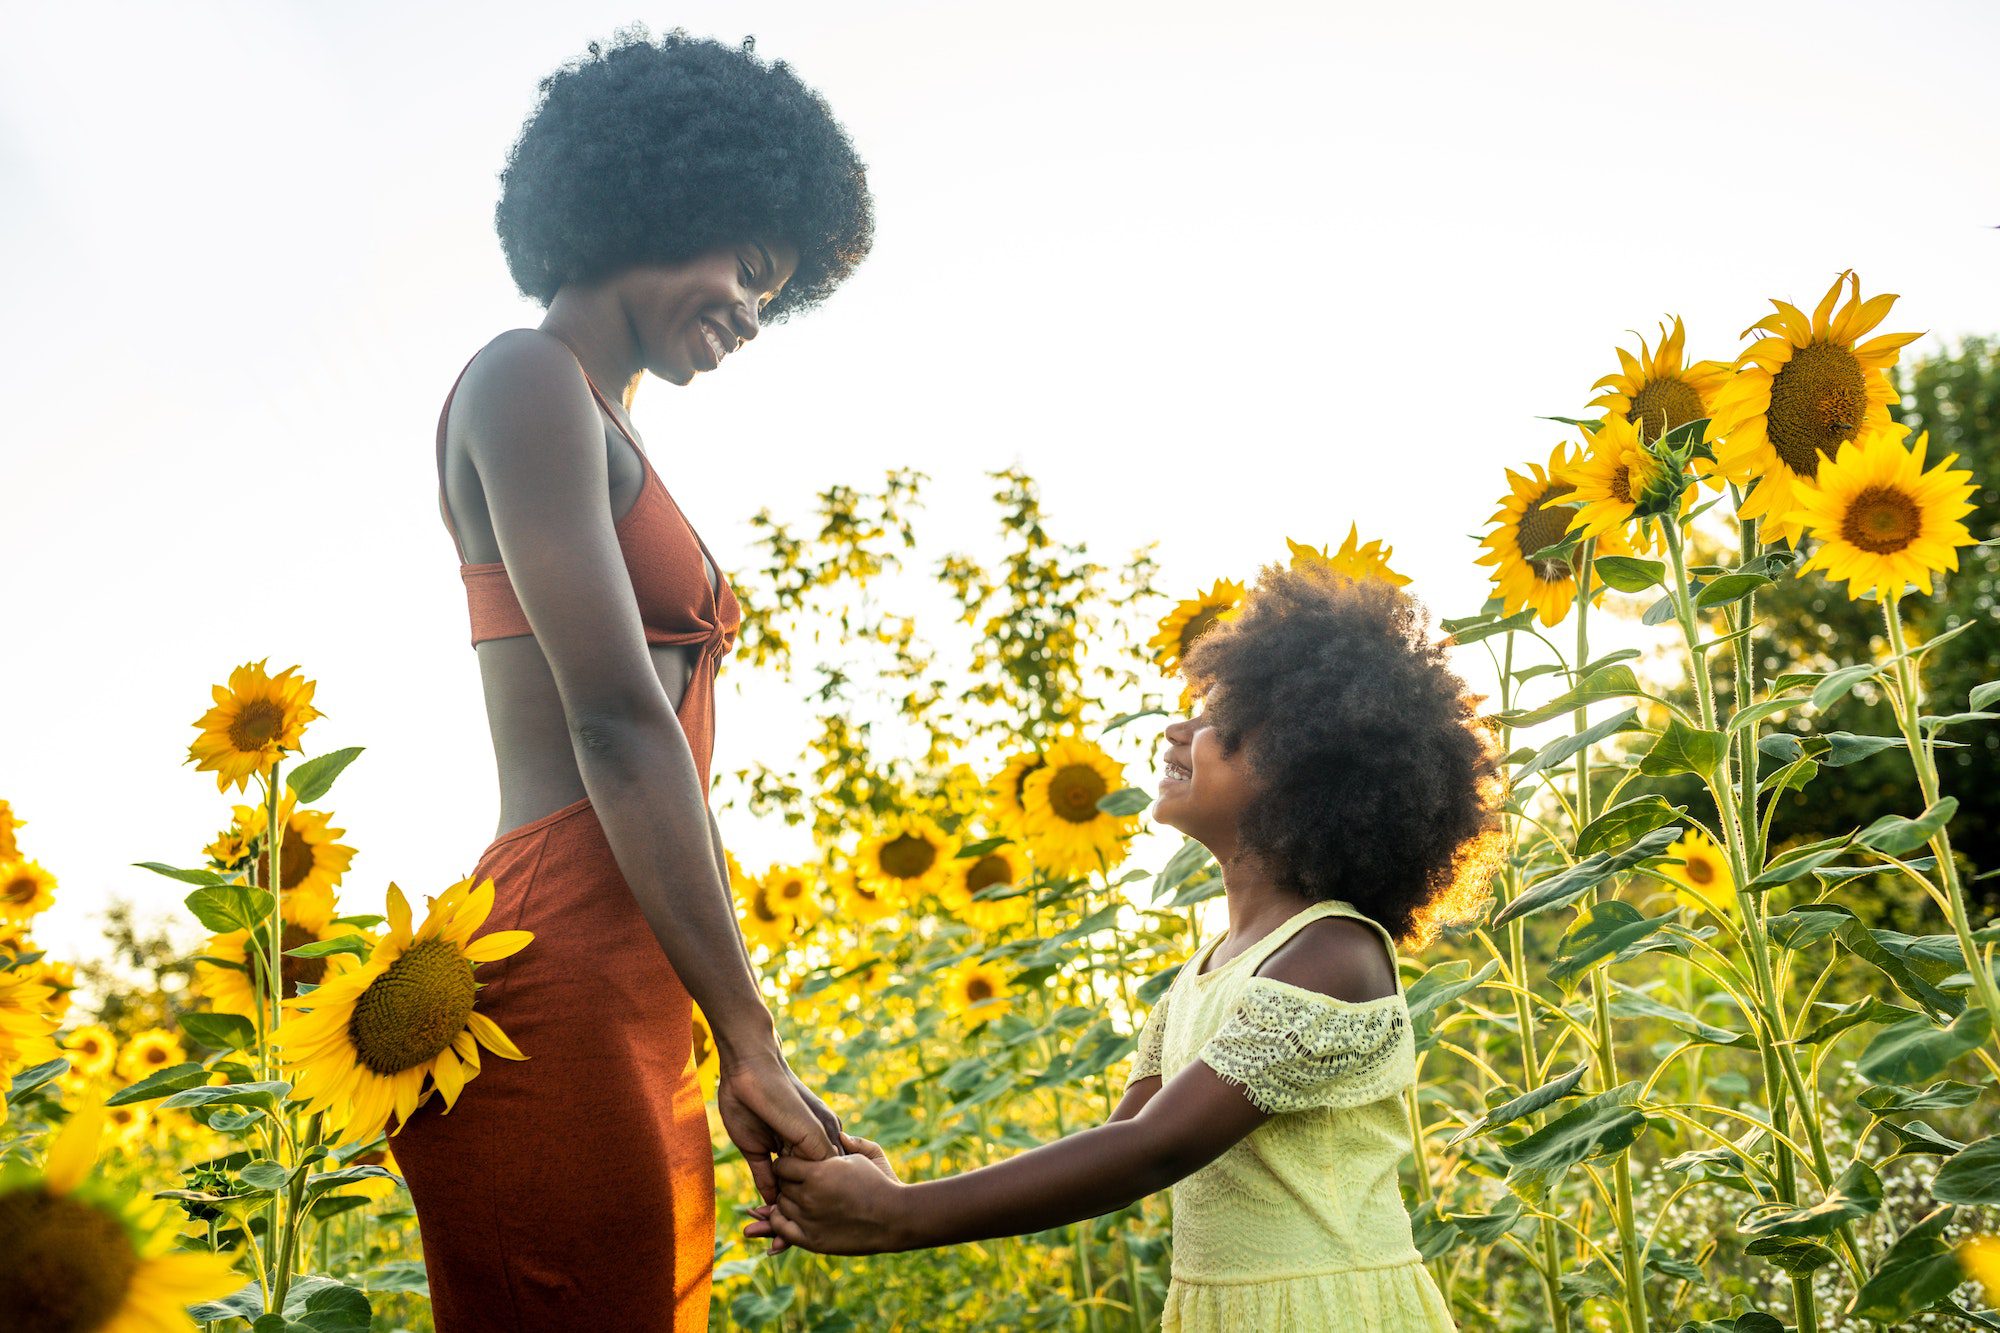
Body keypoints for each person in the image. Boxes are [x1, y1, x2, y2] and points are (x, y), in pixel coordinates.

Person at [394, 28, 874, 1332]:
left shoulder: (603, 424)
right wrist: (751, 1036)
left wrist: (723, 1018)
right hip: (553, 962)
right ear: (658, 196)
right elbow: (617, 722)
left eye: (778, 289)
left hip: (635, 959)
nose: (753, 307)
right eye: (745, 264)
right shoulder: (525, 379)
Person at [748, 565, 1501, 1331]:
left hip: (1326, 1310)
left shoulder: (1331, 955)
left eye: (1220, 719)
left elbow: (1155, 1149)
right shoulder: (1202, 977)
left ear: (1315, 768)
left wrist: (902, 1216)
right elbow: (1115, 1143)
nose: (1178, 731)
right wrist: (896, 1188)